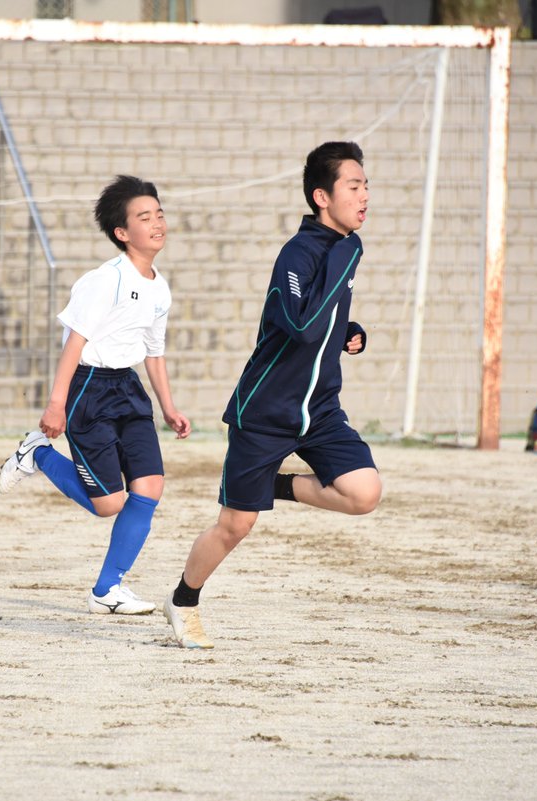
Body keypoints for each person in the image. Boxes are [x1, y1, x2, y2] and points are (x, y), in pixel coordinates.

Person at [161, 141, 382, 649]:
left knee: (364, 493)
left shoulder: (342, 248)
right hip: (264, 411)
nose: (365, 194)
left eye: (366, 185)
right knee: (235, 526)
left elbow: (323, 322)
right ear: (321, 197)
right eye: (354, 185)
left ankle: (276, 488)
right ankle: (183, 601)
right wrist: (345, 255)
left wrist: (350, 329)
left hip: (321, 409)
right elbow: (300, 323)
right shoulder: (301, 253)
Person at [0, 174, 191, 615]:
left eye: (159, 213)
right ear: (123, 233)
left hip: (129, 389)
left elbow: (154, 353)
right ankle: (38, 454)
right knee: (109, 505)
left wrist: (169, 407)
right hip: (89, 388)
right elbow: (74, 344)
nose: (157, 222)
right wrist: (56, 404)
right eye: (145, 217)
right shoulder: (105, 280)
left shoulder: (160, 285)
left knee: (150, 488)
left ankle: (107, 590)